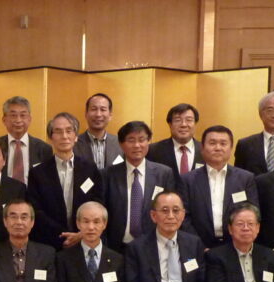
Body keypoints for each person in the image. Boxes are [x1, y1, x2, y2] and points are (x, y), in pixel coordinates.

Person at [28, 112, 103, 250]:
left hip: (85, 239)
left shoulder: (90, 169)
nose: (64, 136)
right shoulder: (38, 172)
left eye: (69, 131)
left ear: (76, 136)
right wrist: (64, 235)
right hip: (49, 242)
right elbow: (36, 210)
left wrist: (81, 233)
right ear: (50, 138)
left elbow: (98, 202)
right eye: (58, 131)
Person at [103, 120, 180, 250]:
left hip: (154, 246)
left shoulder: (164, 173)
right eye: (131, 140)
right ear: (121, 144)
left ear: (148, 141)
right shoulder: (107, 174)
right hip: (116, 246)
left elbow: (169, 209)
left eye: (142, 139)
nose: (137, 145)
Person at [180, 125, 258, 249]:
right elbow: (184, 217)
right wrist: (199, 246)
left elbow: (252, 213)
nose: (218, 148)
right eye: (212, 143)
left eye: (223, 143)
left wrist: (239, 243)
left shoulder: (245, 179)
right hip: (199, 247)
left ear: (231, 148)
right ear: (202, 148)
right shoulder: (187, 180)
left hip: (235, 246)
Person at [0, 96, 51, 185]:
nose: (18, 120)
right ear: (4, 120)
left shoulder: (44, 149)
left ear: (29, 119)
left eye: (23, 115)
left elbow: (47, 181)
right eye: (13, 115)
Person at [147, 103, 203, 176]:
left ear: (195, 123)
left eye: (189, 120)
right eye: (178, 120)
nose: (183, 124)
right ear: (170, 124)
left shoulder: (205, 150)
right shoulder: (153, 150)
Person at [75, 93, 122, 175]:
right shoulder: (74, 143)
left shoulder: (120, 143)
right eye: (93, 109)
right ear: (86, 113)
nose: (98, 114)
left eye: (103, 110)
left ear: (110, 115)